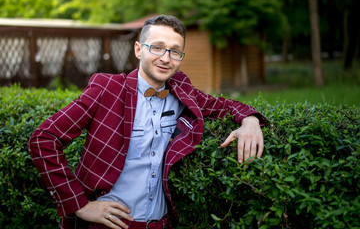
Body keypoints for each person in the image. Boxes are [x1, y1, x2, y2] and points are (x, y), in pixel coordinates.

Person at [29, 14, 267, 229]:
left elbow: (225, 105)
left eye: (175, 51)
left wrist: (250, 121)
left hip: (160, 224)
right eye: (157, 48)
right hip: (108, 225)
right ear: (138, 50)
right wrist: (79, 205)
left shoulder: (181, 91)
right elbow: (44, 139)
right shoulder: (107, 89)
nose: (166, 58)